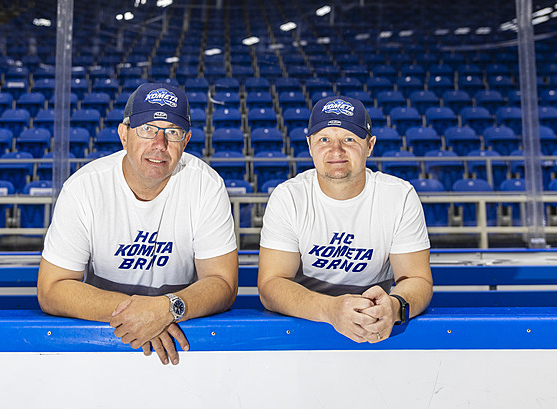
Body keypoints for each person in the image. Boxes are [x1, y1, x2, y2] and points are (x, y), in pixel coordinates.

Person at [37, 82, 238, 364]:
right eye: (147, 130)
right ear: (124, 134)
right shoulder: (84, 187)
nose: (160, 144)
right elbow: (51, 289)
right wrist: (145, 314)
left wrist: (166, 308)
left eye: (173, 133)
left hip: (182, 347)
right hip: (104, 339)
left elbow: (223, 283)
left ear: (186, 140)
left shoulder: (206, 185)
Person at [257, 96, 432, 343]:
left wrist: (394, 306)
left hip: (376, 326)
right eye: (324, 139)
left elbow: (416, 279)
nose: (335, 150)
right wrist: (330, 309)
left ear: (370, 145)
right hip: (304, 326)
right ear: (309, 145)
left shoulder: (399, 195)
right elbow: (271, 285)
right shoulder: (289, 197)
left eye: (349, 139)